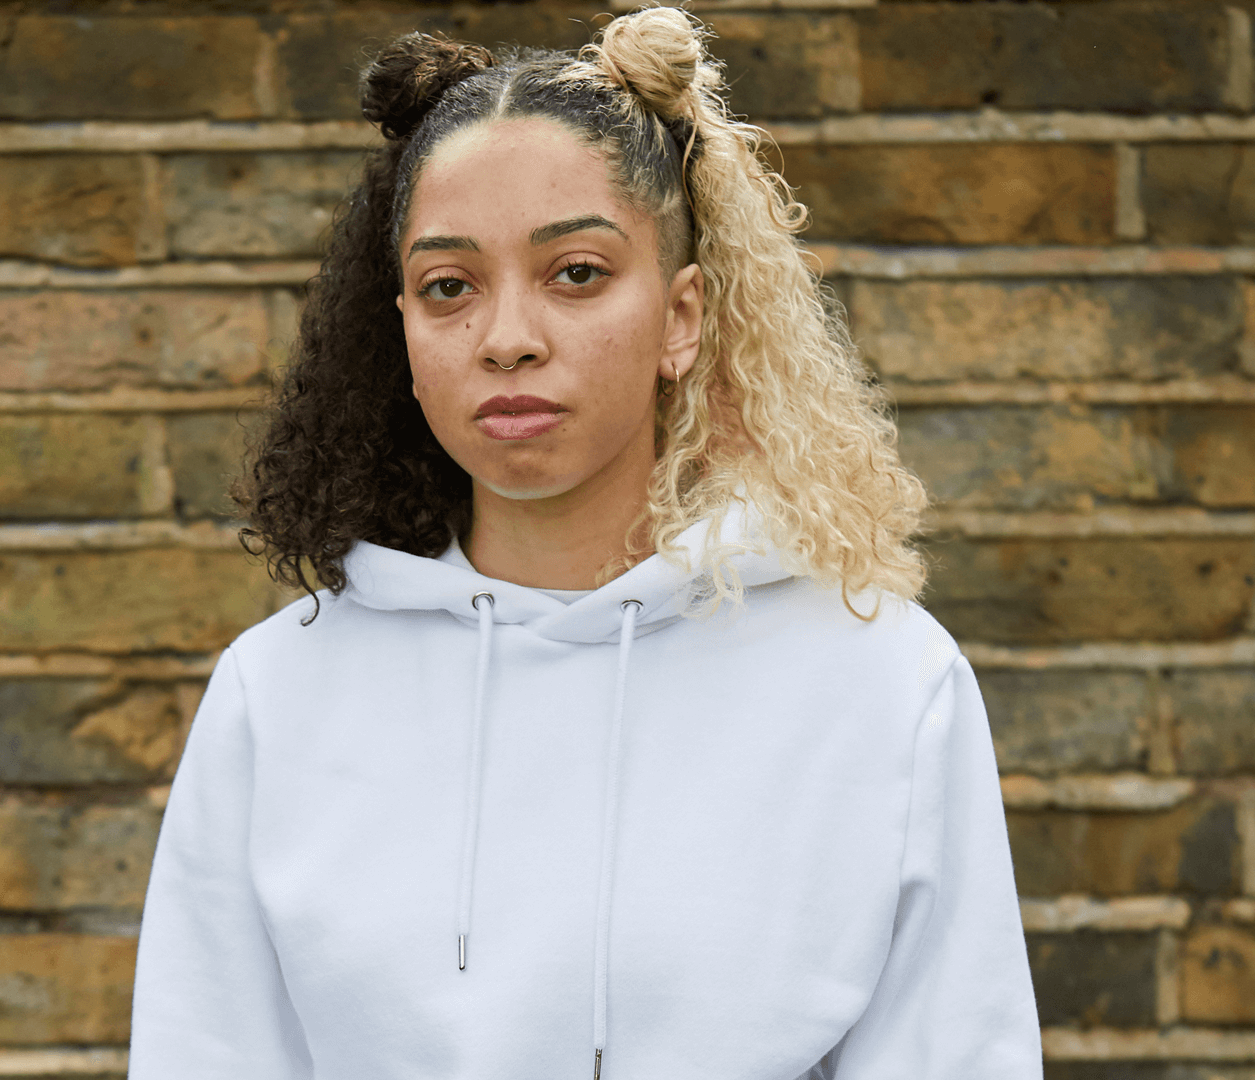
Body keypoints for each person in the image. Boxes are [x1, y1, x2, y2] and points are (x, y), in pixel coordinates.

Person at [126, 6, 1041, 1077]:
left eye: (577, 274)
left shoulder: (879, 679)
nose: (508, 338)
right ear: (404, 329)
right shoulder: (277, 695)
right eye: (450, 287)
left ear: (684, 316)